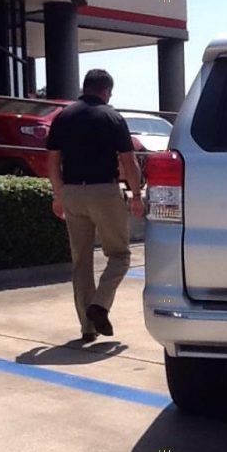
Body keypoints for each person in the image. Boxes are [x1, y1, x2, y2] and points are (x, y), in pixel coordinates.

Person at [46, 69, 144, 342]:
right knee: (120, 255)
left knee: (82, 261)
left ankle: (87, 328)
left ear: (85, 87)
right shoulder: (112, 117)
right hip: (104, 191)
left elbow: (52, 161)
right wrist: (136, 196)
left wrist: (58, 195)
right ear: (105, 91)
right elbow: (129, 161)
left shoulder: (63, 117)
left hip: (73, 192)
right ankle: (100, 305)